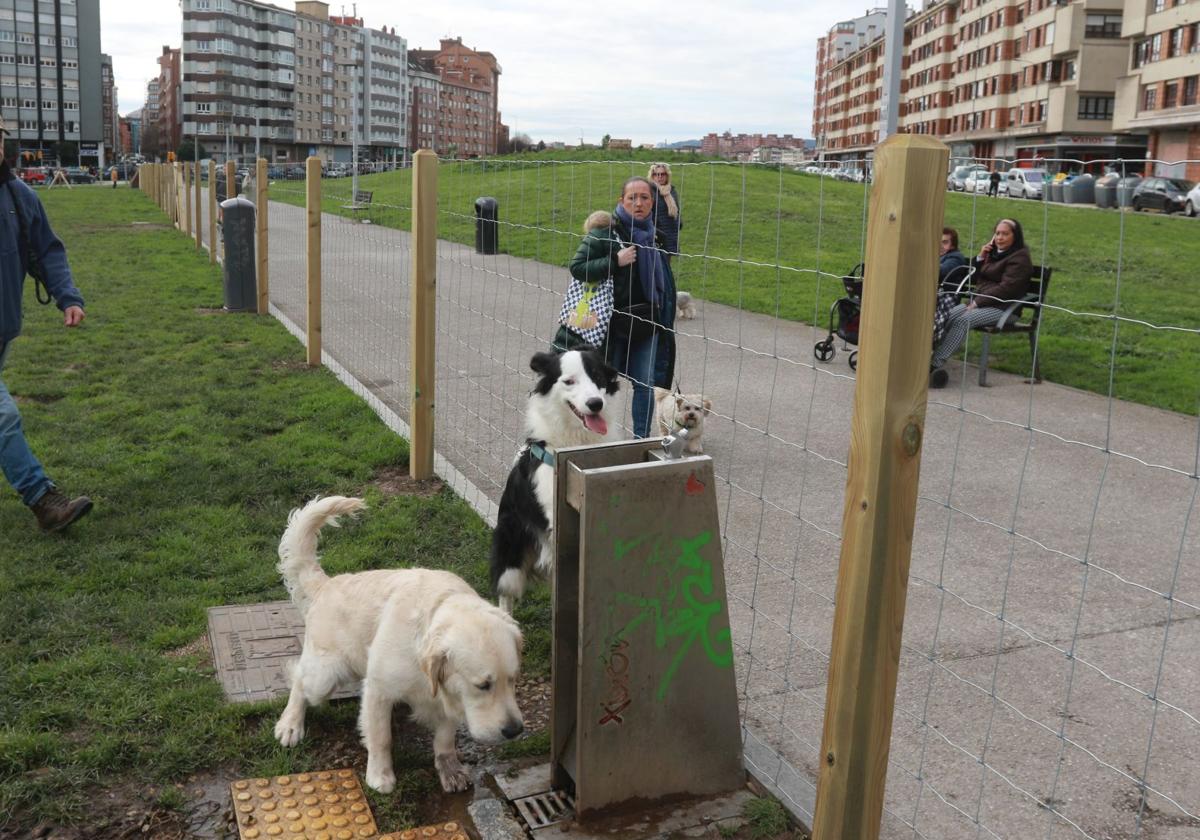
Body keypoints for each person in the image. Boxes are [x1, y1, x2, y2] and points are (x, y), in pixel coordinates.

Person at [0, 115, 93, 531]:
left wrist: (68, 297)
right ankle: (42, 498)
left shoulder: (19, 196)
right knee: (3, 416)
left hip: (4, 327)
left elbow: (48, 251)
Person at [554, 176, 674, 437]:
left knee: (645, 383)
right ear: (621, 201)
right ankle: (602, 437)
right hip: (611, 326)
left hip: (647, 322)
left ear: (653, 203)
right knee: (604, 383)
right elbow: (577, 268)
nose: (638, 203)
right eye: (632, 198)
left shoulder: (657, 238)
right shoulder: (604, 234)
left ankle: (640, 440)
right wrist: (614, 261)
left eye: (644, 198)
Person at [930, 218, 1032, 389]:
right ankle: (930, 355)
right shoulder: (993, 254)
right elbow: (973, 277)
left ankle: (934, 364)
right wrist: (980, 257)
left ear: (1016, 236)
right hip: (980, 303)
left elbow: (1006, 289)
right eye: (997, 233)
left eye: (1005, 234)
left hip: (1004, 308)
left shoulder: (1020, 259)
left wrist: (977, 302)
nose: (1000, 237)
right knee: (947, 316)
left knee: (963, 321)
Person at [933, 227, 968, 346]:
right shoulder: (937, 256)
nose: (941, 245)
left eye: (945, 242)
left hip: (945, 300)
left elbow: (941, 272)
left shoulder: (955, 257)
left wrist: (926, 260)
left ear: (953, 245)